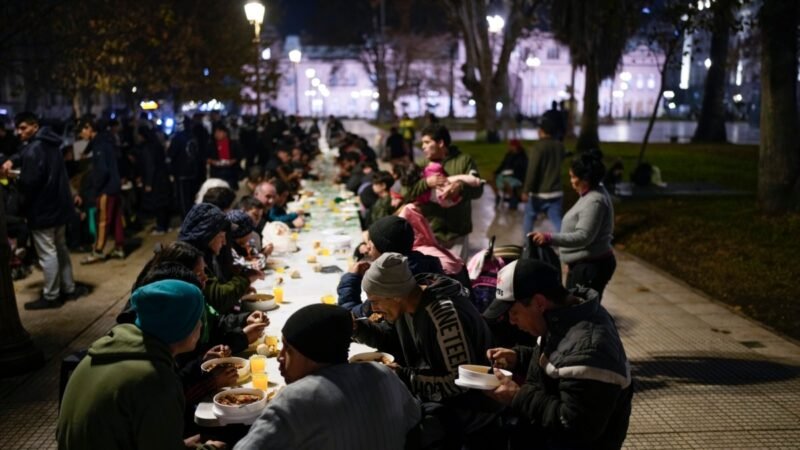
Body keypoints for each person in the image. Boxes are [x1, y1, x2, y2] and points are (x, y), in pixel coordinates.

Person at [353, 253, 502, 449]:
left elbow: (460, 383)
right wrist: (357, 328)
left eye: (376, 301)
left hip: (473, 406)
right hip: (440, 396)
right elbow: (392, 341)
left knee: (395, 434)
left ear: (396, 296)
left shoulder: (443, 316)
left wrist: (405, 376)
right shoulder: (408, 304)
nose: (373, 308)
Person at [482, 259, 633, 450]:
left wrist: (518, 396)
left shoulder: (590, 350)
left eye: (514, 312)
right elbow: (560, 362)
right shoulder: (565, 318)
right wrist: (519, 358)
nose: (512, 321)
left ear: (539, 302)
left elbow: (574, 426)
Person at [57, 279, 224, 450]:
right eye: (197, 318)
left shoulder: (103, 353)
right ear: (181, 325)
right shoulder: (154, 379)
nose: (201, 324)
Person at [234, 304, 421, 450]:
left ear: (313, 354)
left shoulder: (295, 400)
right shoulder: (383, 374)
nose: (280, 358)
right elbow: (414, 418)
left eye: (288, 349)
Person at [0, 112, 87, 309]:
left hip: (42, 210)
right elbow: (25, 154)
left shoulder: (33, 150)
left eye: (23, 128)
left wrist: (16, 180)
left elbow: (30, 183)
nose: (19, 132)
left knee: (47, 253)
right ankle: (68, 288)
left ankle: (51, 295)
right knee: (61, 249)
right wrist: (13, 160)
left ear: (34, 126)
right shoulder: (50, 144)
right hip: (59, 207)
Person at [530, 150, 616, 300]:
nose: (571, 181)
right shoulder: (589, 195)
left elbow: (584, 236)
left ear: (585, 180)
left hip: (591, 267)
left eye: (573, 177)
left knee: (581, 313)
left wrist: (549, 238)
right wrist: (570, 260)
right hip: (584, 264)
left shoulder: (594, 201)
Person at [404, 124, 483, 260]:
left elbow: (478, 190)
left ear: (440, 143)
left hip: (458, 231)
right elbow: (405, 192)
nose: (423, 146)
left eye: (427, 142)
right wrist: (426, 183)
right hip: (430, 231)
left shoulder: (464, 161)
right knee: (434, 277)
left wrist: (460, 187)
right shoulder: (420, 164)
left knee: (457, 274)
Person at [338, 216, 443, 317]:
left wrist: (350, 279)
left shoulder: (391, 284)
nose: (368, 246)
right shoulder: (424, 262)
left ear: (384, 251)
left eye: (371, 243)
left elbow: (351, 316)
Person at [179, 203, 260, 314]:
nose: (225, 242)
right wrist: (246, 279)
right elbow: (217, 299)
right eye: (222, 236)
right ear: (208, 235)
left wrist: (239, 291)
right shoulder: (191, 260)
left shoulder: (209, 255)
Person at [77, 116, 125, 264]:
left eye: (81, 131)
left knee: (103, 221)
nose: (80, 135)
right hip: (114, 186)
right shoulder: (108, 140)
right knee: (116, 219)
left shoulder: (99, 144)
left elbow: (102, 170)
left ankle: (98, 251)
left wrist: (96, 187)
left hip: (106, 189)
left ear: (89, 128)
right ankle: (119, 247)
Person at [521, 115, 565, 237]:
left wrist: (526, 190)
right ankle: (566, 243)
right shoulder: (560, 146)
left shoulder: (538, 147)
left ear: (541, 131)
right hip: (556, 191)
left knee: (529, 216)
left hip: (539, 193)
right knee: (557, 219)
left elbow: (532, 170)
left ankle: (527, 244)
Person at [492, 139, 528, 209]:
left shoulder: (522, 156)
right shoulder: (509, 154)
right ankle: (497, 196)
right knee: (492, 180)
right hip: (506, 175)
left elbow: (523, 169)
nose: (509, 147)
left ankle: (513, 199)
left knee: (507, 183)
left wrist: (512, 172)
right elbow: (502, 165)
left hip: (517, 177)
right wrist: (496, 172)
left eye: (511, 145)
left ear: (515, 146)